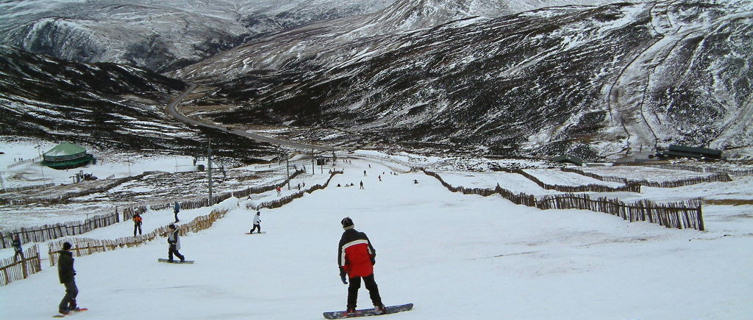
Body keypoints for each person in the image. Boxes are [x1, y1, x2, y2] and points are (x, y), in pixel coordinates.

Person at [337, 217, 385, 316]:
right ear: (353, 225)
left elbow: (342, 261)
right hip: (366, 267)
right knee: (372, 286)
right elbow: (371, 251)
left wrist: (343, 272)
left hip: (353, 270)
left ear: (343, 227)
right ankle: (379, 306)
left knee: (353, 288)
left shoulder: (343, 242)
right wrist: (371, 260)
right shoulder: (362, 236)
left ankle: (351, 309)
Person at [58, 242, 80, 315]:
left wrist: (72, 272)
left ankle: (72, 305)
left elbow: (69, 267)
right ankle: (62, 307)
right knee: (70, 292)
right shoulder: (64, 256)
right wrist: (68, 274)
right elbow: (64, 268)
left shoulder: (66, 255)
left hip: (70, 276)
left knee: (75, 291)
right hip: (67, 277)